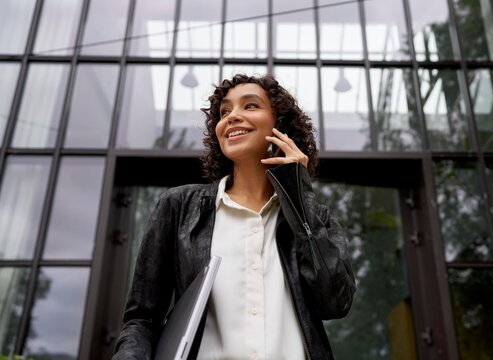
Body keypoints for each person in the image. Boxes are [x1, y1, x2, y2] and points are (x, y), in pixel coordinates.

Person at [112, 73, 356, 360]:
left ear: (279, 124)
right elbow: (142, 319)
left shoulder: (314, 217)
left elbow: (335, 303)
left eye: (250, 106)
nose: (232, 117)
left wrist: (299, 199)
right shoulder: (179, 207)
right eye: (225, 111)